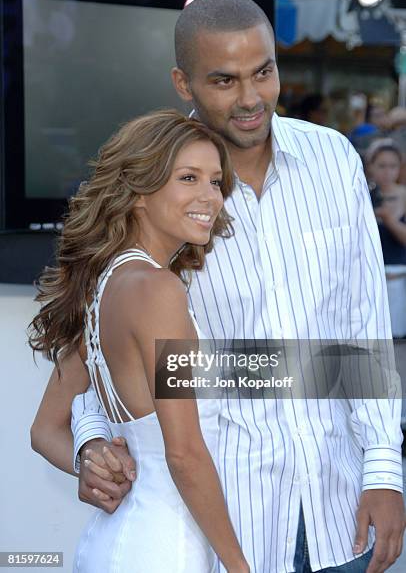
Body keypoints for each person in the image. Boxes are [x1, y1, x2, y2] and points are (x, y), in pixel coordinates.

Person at [31, 0, 405, 573]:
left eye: (264, 72)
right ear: (183, 83)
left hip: (341, 507)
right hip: (230, 525)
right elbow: (107, 349)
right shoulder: (167, 200)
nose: (251, 98)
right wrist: (90, 444)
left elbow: (364, 321)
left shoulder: (334, 159)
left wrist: (385, 469)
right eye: (225, 81)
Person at [29, 109, 250, 572]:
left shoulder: (106, 285)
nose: (210, 196)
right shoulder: (156, 289)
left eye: (215, 182)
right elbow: (184, 454)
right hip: (166, 549)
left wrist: (92, 461)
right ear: (137, 193)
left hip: (123, 541)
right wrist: (239, 566)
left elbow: (45, 430)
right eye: (189, 177)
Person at [366, 138, 406, 337]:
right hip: (370, 279)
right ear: (371, 166)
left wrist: (388, 218)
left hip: (400, 277)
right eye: (381, 166)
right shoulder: (364, 194)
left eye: (393, 166)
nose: (387, 172)